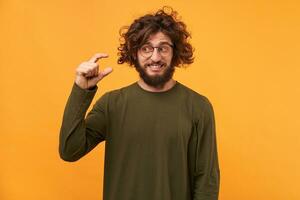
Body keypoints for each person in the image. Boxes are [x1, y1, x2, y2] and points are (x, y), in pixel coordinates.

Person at [59, 6, 220, 200]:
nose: (155, 57)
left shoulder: (198, 107)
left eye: (163, 48)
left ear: (174, 53)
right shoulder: (112, 104)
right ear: (134, 53)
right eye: (146, 48)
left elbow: (206, 181)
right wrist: (81, 90)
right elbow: (69, 151)